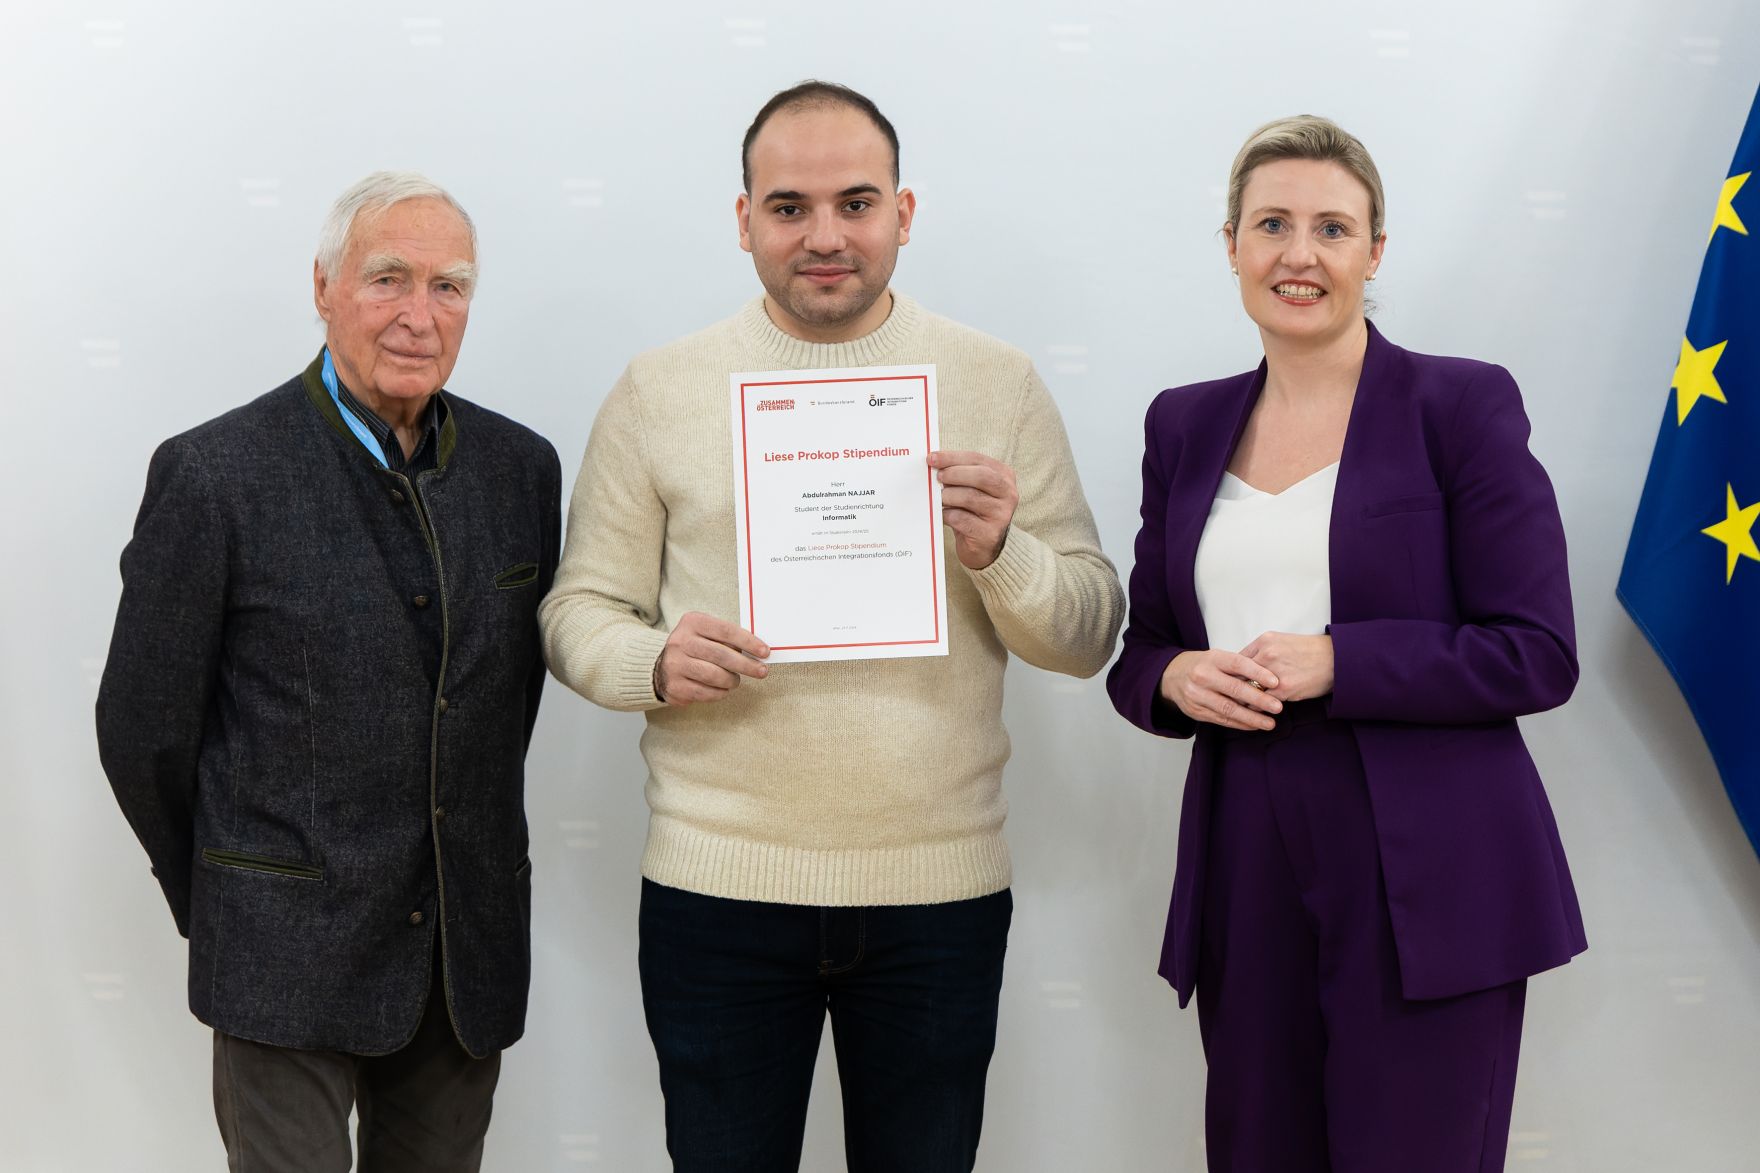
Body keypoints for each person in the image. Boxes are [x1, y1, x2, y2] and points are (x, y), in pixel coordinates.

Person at [539, 80, 1122, 1171]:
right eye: (788, 207)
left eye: (855, 204)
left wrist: (1004, 553)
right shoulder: (660, 389)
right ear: (743, 220)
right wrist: (652, 660)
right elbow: (576, 610)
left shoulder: (996, 382)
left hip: (937, 894)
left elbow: (1088, 632)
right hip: (718, 888)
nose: (823, 236)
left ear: (905, 212)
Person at [1105, 116, 1586, 1172]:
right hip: (1245, 847)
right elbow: (1141, 652)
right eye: (1271, 224)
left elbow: (1536, 650)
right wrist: (1176, 677)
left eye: (1332, 228)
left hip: (1429, 861)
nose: (1299, 253)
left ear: (1374, 252)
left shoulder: (1459, 404)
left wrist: (1343, 659)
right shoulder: (1181, 424)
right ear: (1231, 243)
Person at [95, 171, 561, 1173]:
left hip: (460, 953)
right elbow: (142, 730)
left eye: (448, 286)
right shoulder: (215, 474)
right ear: (323, 287)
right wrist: (228, 889)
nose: (419, 315)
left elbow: (499, 707)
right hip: (277, 951)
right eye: (388, 278)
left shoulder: (520, 470)